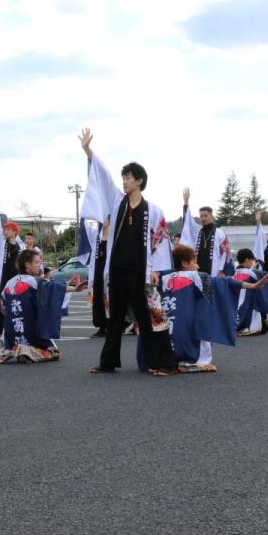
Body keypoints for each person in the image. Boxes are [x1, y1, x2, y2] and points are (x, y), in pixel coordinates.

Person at [78, 127, 178, 376]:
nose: (124, 181)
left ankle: (161, 362)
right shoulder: (116, 202)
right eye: (123, 177)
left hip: (140, 271)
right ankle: (108, 362)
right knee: (115, 318)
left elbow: (159, 242)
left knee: (148, 317)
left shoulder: (153, 210)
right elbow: (102, 177)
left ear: (140, 181)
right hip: (117, 270)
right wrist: (89, 152)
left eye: (129, 177)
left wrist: (155, 270)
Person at [164, 244, 267, 372]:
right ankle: (195, 362)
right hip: (188, 334)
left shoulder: (164, 277)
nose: (198, 266)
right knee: (203, 322)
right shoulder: (196, 277)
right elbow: (226, 282)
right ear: (184, 263)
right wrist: (252, 286)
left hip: (166, 334)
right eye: (195, 262)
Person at [0, 248, 83, 364]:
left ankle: (9, 350)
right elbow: (53, 287)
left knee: (12, 332)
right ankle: (27, 352)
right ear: (27, 264)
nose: (39, 265)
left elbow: (3, 307)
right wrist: (74, 288)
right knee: (54, 352)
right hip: (31, 331)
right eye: (36, 262)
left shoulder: (9, 282)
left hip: (11, 333)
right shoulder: (34, 281)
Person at [0, 200, 24, 336]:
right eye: (4, 229)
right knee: (0, 303)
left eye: (7, 229)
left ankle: (12, 327)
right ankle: (0, 328)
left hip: (14, 278)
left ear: (14, 232)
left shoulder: (20, 247)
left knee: (14, 303)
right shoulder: (2, 243)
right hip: (2, 278)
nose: (4, 231)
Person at [180, 189, 232, 276]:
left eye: (205, 216)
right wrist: (186, 203)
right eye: (201, 216)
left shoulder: (220, 233)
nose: (203, 218)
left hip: (214, 271)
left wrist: (221, 270)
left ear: (212, 216)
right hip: (197, 271)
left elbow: (225, 253)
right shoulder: (197, 231)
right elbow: (187, 223)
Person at [233, 248, 268, 336]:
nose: (253, 262)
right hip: (248, 306)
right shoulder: (251, 273)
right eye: (252, 260)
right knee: (264, 328)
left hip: (235, 306)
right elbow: (267, 277)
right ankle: (244, 328)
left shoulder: (235, 273)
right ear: (247, 260)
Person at [88, 216, 110, 336]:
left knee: (113, 298)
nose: (101, 221)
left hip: (110, 272)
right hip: (99, 271)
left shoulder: (114, 236)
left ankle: (121, 324)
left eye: (104, 218)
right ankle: (102, 326)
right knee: (98, 298)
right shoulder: (98, 237)